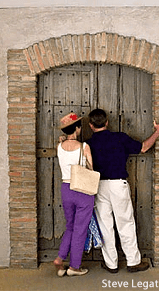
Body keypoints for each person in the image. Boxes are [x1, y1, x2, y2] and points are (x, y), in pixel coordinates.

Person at [87, 108, 159, 273]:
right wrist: (158, 131)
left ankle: (111, 264)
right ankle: (133, 262)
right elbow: (144, 147)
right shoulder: (119, 138)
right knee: (126, 223)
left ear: (90, 125)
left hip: (99, 185)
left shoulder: (88, 143)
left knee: (104, 225)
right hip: (118, 185)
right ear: (107, 122)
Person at [53, 112, 95, 277]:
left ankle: (60, 257)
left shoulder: (59, 146)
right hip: (82, 190)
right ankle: (74, 267)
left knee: (70, 226)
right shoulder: (84, 146)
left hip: (66, 189)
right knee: (80, 229)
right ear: (77, 128)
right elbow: (91, 168)